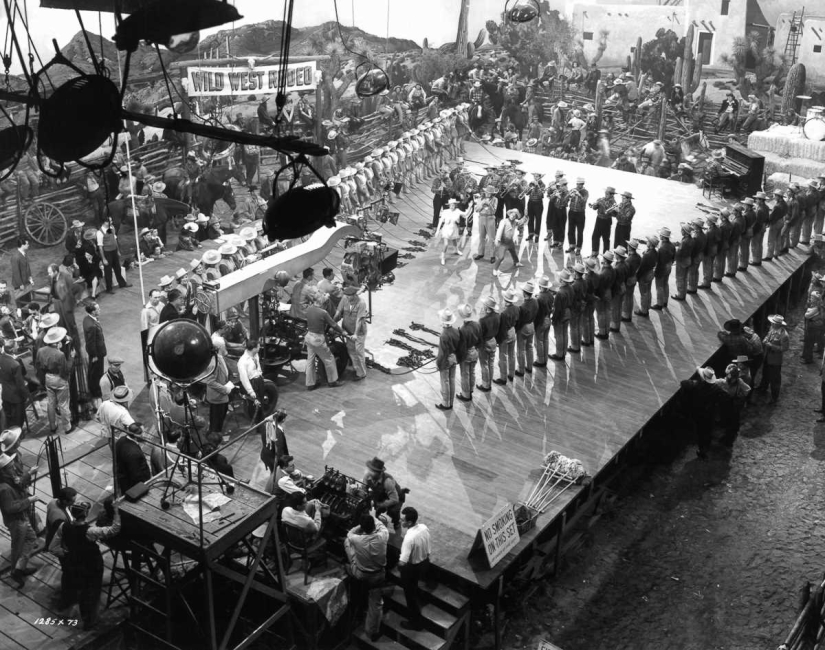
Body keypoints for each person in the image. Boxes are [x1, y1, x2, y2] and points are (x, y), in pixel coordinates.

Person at [61, 500, 121, 630]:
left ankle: (86, 617)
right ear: (86, 513)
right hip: (91, 564)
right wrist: (116, 512)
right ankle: (90, 621)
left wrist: (69, 554)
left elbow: (54, 546)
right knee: (92, 592)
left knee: (83, 591)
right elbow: (113, 530)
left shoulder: (64, 526)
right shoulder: (90, 531)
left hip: (75, 562)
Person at [345, 513, 389, 643]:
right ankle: (372, 632)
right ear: (373, 526)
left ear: (363, 528)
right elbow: (380, 525)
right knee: (375, 604)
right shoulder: (383, 536)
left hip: (361, 573)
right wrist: (371, 518)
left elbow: (349, 533)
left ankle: (349, 566)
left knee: (347, 543)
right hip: (378, 575)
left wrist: (360, 525)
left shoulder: (356, 539)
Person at [0, 451, 39, 587]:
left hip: (21, 517)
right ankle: (15, 571)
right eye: (10, 467)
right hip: (16, 521)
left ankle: (20, 567)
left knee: (31, 538)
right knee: (18, 546)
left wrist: (28, 475)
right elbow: (10, 508)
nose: (13, 468)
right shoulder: (4, 488)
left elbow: (20, 482)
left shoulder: (9, 479)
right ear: (3, 471)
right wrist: (28, 500)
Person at [398, 506, 436, 631]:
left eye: (402, 519)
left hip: (413, 568)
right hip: (425, 562)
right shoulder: (424, 528)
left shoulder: (409, 538)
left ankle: (415, 623)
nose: (400, 521)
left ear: (409, 522)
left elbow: (403, 562)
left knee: (410, 597)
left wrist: (400, 568)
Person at [681, 367, 728, 459]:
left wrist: (694, 381)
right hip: (710, 413)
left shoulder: (696, 385)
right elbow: (725, 396)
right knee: (708, 430)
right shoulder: (716, 388)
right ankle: (706, 447)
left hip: (699, 413)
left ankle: (702, 449)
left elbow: (683, 383)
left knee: (700, 431)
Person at [36, 327, 74, 435]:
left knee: (51, 403)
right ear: (57, 341)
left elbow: (38, 366)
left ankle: (52, 426)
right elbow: (66, 370)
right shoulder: (60, 354)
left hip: (48, 377)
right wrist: (71, 358)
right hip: (59, 378)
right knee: (63, 403)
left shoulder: (41, 351)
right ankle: (67, 427)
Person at [335, 285, 368, 381]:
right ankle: (356, 367)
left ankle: (361, 373)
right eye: (346, 296)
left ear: (354, 295)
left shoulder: (361, 303)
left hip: (358, 332)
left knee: (358, 352)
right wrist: (333, 323)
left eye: (349, 296)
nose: (347, 298)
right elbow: (338, 311)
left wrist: (356, 334)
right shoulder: (345, 298)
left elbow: (359, 320)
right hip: (347, 330)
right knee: (351, 350)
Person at [757, 314, 790, 404]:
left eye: (774, 323)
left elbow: (784, 348)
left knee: (775, 379)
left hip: (775, 360)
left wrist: (772, 346)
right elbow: (767, 337)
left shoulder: (784, 335)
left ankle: (774, 397)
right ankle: (762, 388)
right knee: (765, 374)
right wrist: (765, 340)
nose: (772, 324)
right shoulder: (772, 329)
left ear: (779, 324)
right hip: (767, 356)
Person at [715, 363, 751, 447]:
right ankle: (732, 434)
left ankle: (728, 439)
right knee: (734, 420)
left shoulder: (723, 382)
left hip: (726, 406)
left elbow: (713, 382)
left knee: (728, 422)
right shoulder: (739, 382)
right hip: (735, 405)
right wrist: (740, 395)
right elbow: (747, 389)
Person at [114, 417, 150, 495]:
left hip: (123, 477)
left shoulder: (120, 440)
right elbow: (136, 475)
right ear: (138, 435)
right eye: (143, 432)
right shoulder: (134, 453)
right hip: (133, 485)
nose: (144, 434)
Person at [205, 340, 233, 436]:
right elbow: (210, 381)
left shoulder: (219, 358)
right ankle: (214, 440)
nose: (226, 347)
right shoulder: (213, 363)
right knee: (216, 422)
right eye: (224, 345)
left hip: (221, 395)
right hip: (217, 397)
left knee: (218, 420)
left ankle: (215, 435)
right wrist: (225, 389)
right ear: (220, 347)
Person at [455, 303, 481, 403]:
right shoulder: (477, 324)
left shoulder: (462, 329)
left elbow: (461, 347)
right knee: (472, 372)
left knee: (465, 374)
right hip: (475, 352)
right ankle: (470, 389)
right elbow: (480, 340)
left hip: (466, 355)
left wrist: (459, 356)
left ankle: (466, 395)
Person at [0, 339, 29, 428]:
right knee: (18, 419)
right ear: (13, 350)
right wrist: (25, 396)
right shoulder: (15, 364)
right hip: (16, 396)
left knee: (9, 418)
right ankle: (18, 436)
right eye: (17, 346)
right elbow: (20, 384)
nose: (18, 347)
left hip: (4, 394)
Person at [435, 307, 460, 410]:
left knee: (445, 381)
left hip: (445, 360)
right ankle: (451, 401)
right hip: (454, 357)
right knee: (452, 380)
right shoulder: (456, 331)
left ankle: (446, 403)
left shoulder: (443, 335)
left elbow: (441, 353)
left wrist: (438, 364)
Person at [83, 302, 106, 408]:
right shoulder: (92, 325)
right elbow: (91, 342)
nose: (100, 310)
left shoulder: (87, 319)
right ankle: (96, 394)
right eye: (98, 309)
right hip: (96, 353)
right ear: (93, 311)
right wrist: (95, 355)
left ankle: (95, 391)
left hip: (96, 352)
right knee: (96, 373)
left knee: (94, 372)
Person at [494, 290, 519, 384]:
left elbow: (502, 329)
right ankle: (511, 374)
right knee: (512, 354)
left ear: (505, 300)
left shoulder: (504, 313)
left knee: (503, 356)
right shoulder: (517, 308)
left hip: (505, 335)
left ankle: (503, 377)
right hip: (513, 331)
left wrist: (498, 340)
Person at [476, 296, 499, 392]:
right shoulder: (498, 315)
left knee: (484, 364)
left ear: (486, 307)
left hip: (485, 343)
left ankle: (485, 385)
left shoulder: (483, 320)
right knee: (491, 363)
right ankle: (490, 382)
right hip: (493, 341)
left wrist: (478, 346)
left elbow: (480, 335)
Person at [140, 289, 162, 383]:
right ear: (150, 297)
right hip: (151, 338)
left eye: (158, 297)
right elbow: (144, 328)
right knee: (151, 359)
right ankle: (152, 378)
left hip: (161, 335)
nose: (157, 299)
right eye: (155, 297)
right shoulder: (146, 311)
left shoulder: (162, 305)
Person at [493, 209, 523, 277]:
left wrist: (526, 216)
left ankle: (516, 262)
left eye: (514, 215)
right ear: (509, 214)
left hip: (510, 242)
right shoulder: (504, 221)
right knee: (501, 257)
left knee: (513, 252)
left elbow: (521, 222)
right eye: (512, 214)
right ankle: (495, 269)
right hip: (503, 243)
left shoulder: (515, 222)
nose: (512, 216)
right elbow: (500, 230)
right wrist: (498, 239)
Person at [515, 282, 537, 375]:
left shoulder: (522, 307)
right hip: (532, 325)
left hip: (523, 328)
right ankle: (529, 367)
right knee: (530, 347)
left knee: (521, 349)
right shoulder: (535, 301)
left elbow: (519, 321)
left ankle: (521, 370)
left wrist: (516, 330)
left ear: (524, 293)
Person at [652, 227, 675, 311]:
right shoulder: (672, 245)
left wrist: (656, 271)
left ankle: (659, 303)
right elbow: (673, 258)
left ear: (662, 237)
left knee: (659, 286)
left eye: (660, 235)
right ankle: (665, 301)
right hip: (668, 267)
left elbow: (658, 261)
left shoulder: (662, 248)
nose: (659, 236)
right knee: (665, 284)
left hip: (662, 268)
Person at [589, 187, 617, 256]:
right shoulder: (601, 199)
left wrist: (603, 204)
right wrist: (594, 205)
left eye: (607, 193)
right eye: (606, 193)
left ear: (612, 194)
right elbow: (594, 208)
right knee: (595, 236)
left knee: (606, 239)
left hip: (606, 221)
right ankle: (594, 253)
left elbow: (614, 214)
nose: (605, 194)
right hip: (599, 220)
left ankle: (606, 255)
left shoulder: (614, 203)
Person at [10, 236, 33, 307]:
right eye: (27, 244)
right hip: (20, 285)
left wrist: (30, 278)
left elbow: (27, 268)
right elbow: (16, 272)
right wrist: (20, 284)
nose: (28, 245)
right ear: (22, 245)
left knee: (28, 302)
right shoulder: (15, 257)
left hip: (26, 283)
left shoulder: (24, 254)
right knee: (21, 304)